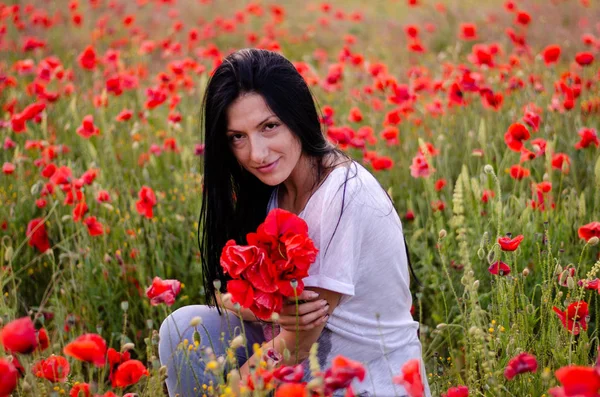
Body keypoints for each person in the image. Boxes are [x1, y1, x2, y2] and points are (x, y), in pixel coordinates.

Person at [158, 48, 431, 396]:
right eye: (237, 137)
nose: (256, 154)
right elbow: (261, 308)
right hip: (298, 361)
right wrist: (244, 304)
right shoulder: (274, 189)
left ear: (297, 116)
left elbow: (297, 343)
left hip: (360, 379)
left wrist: (228, 392)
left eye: (269, 127)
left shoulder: (345, 195)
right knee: (184, 329)